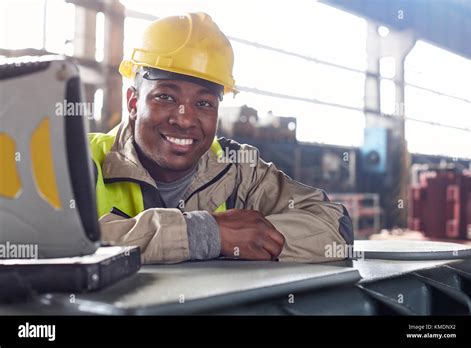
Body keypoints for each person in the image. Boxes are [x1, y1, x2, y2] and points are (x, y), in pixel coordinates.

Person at [88, 12, 353, 264]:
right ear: (133, 103)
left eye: (203, 103)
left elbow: (335, 226)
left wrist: (254, 238)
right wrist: (205, 234)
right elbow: (50, 242)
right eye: (165, 97)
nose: (184, 119)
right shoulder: (79, 160)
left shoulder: (238, 169)